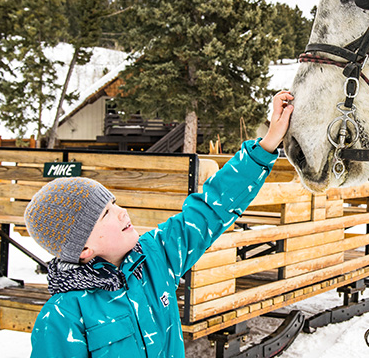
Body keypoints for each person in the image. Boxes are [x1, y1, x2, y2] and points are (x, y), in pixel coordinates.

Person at [25, 91, 294, 357]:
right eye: (105, 213)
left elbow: (210, 209)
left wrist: (268, 143)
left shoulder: (155, 258)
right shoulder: (62, 316)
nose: (122, 212)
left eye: (115, 202)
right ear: (83, 249)